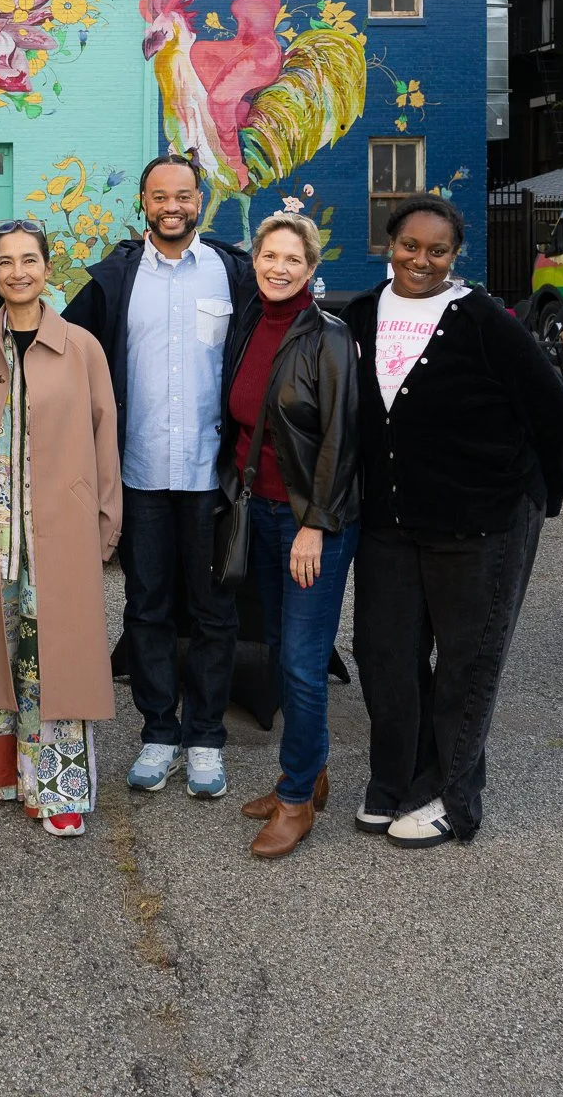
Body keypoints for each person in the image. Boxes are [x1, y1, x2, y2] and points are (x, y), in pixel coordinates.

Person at [347, 196, 563, 847]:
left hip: (479, 525)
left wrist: (540, 494)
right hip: (389, 523)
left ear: (455, 255)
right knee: (384, 656)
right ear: (389, 244)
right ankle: (396, 781)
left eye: (437, 250)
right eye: (410, 246)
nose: (421, 260)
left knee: (465, 665)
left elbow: (555, 411)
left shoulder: (482, 319)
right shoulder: (362, 314)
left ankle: (453, 797)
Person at [63, 153, 256, 800]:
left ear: (200, 200)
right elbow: (59, 340)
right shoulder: (115, 279)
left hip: (211, 478)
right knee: (146, 609)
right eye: (159, 196)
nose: (172, 206)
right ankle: (159, 733)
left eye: (183, 195)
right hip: (140, 473)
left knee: (213, 612)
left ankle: (205, 738)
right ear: (143, 203)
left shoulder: (234, 274)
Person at [0, 219, 121, 836]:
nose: (18, 272)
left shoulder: (81, 347)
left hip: (62, 527)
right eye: (5, 262)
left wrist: (106, 518)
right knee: (3, 651)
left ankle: (57, 792)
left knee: (56, 658)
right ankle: (8, 773)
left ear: (48, 267)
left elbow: (106, 436)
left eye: (29, 260)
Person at [219, 212, 359, 858]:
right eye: (269, 256)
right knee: (280, 651)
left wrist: (314, 525)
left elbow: (341, 439)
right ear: (255, 261)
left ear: (311, 269)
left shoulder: (328, 336)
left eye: (292, 260)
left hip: (311, 522)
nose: (279, 268)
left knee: (303, 664)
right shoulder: (250, 323)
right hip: (264, 513)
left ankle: (297, 800)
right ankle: (307, 771)